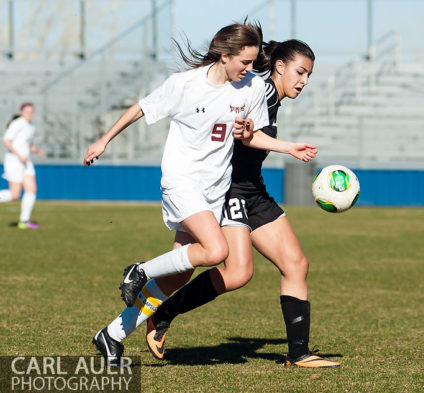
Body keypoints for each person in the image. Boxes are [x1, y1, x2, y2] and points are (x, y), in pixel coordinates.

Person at [84, 22, 317, 365]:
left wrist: (285, 146)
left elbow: (248, 137)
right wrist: (104, 139)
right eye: (246, 63)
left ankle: (112, 335)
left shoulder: (250, 87)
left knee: (180, 273)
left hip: (215, 187)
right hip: (182, 182)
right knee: (215, 250)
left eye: (255, 63)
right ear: (225, 56)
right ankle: (140, 270)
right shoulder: (186, 85)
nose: (253, 70)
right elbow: (142, 108)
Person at [143, 39, 340, 368]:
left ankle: (299, 353)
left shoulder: (272, 96)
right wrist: (287, 147)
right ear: (280, 66)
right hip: (231, 188)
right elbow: (232, 128)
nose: (304, 80)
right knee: (236, 273)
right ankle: (161, 312)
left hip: (254, 189)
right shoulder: (257, 89)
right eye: (300, 72)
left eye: (308, 75)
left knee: (296, 264)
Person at [0, 103, 43, 229]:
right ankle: (23, 221)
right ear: (21, 112)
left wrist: (36, 150)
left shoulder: (31, 126)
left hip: (26, 161)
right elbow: (7, 140)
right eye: (27, 111)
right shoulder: (17, 123)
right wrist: (18, 155)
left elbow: (27, 143)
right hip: (14, 161)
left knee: (32, 189)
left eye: (31, 111)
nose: (30, 114)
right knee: (14, 195)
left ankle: (24, 221)